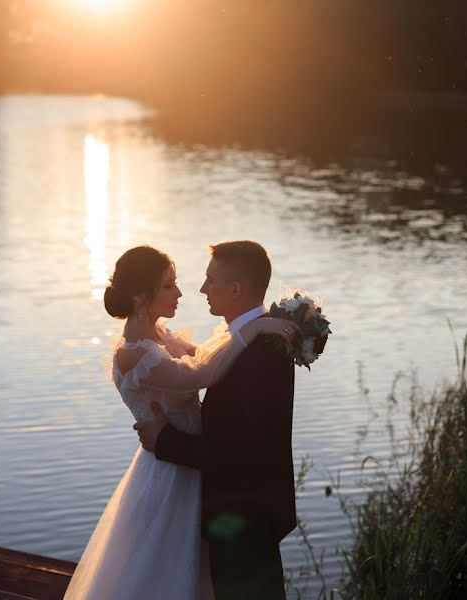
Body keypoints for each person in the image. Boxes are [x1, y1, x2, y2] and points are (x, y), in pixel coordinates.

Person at [63, 245, 297, 600]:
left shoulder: (164, 339)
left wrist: (257, 327)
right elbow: (202, 372)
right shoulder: (134, 354)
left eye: (208, 280)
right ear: (143, 297)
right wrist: (253, 328)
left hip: (208, 481)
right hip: (170, 475)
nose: (190, 291)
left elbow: (206, 362)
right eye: (170, 285)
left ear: (234, 288)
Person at [135, 240, 298, 600]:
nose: (202, 288)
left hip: (243, 520)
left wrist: (164, 440)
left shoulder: (258, 353)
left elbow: (236, 450)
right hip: (247, 513)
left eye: (211, 280)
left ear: (236, 289)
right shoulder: (247, 340)